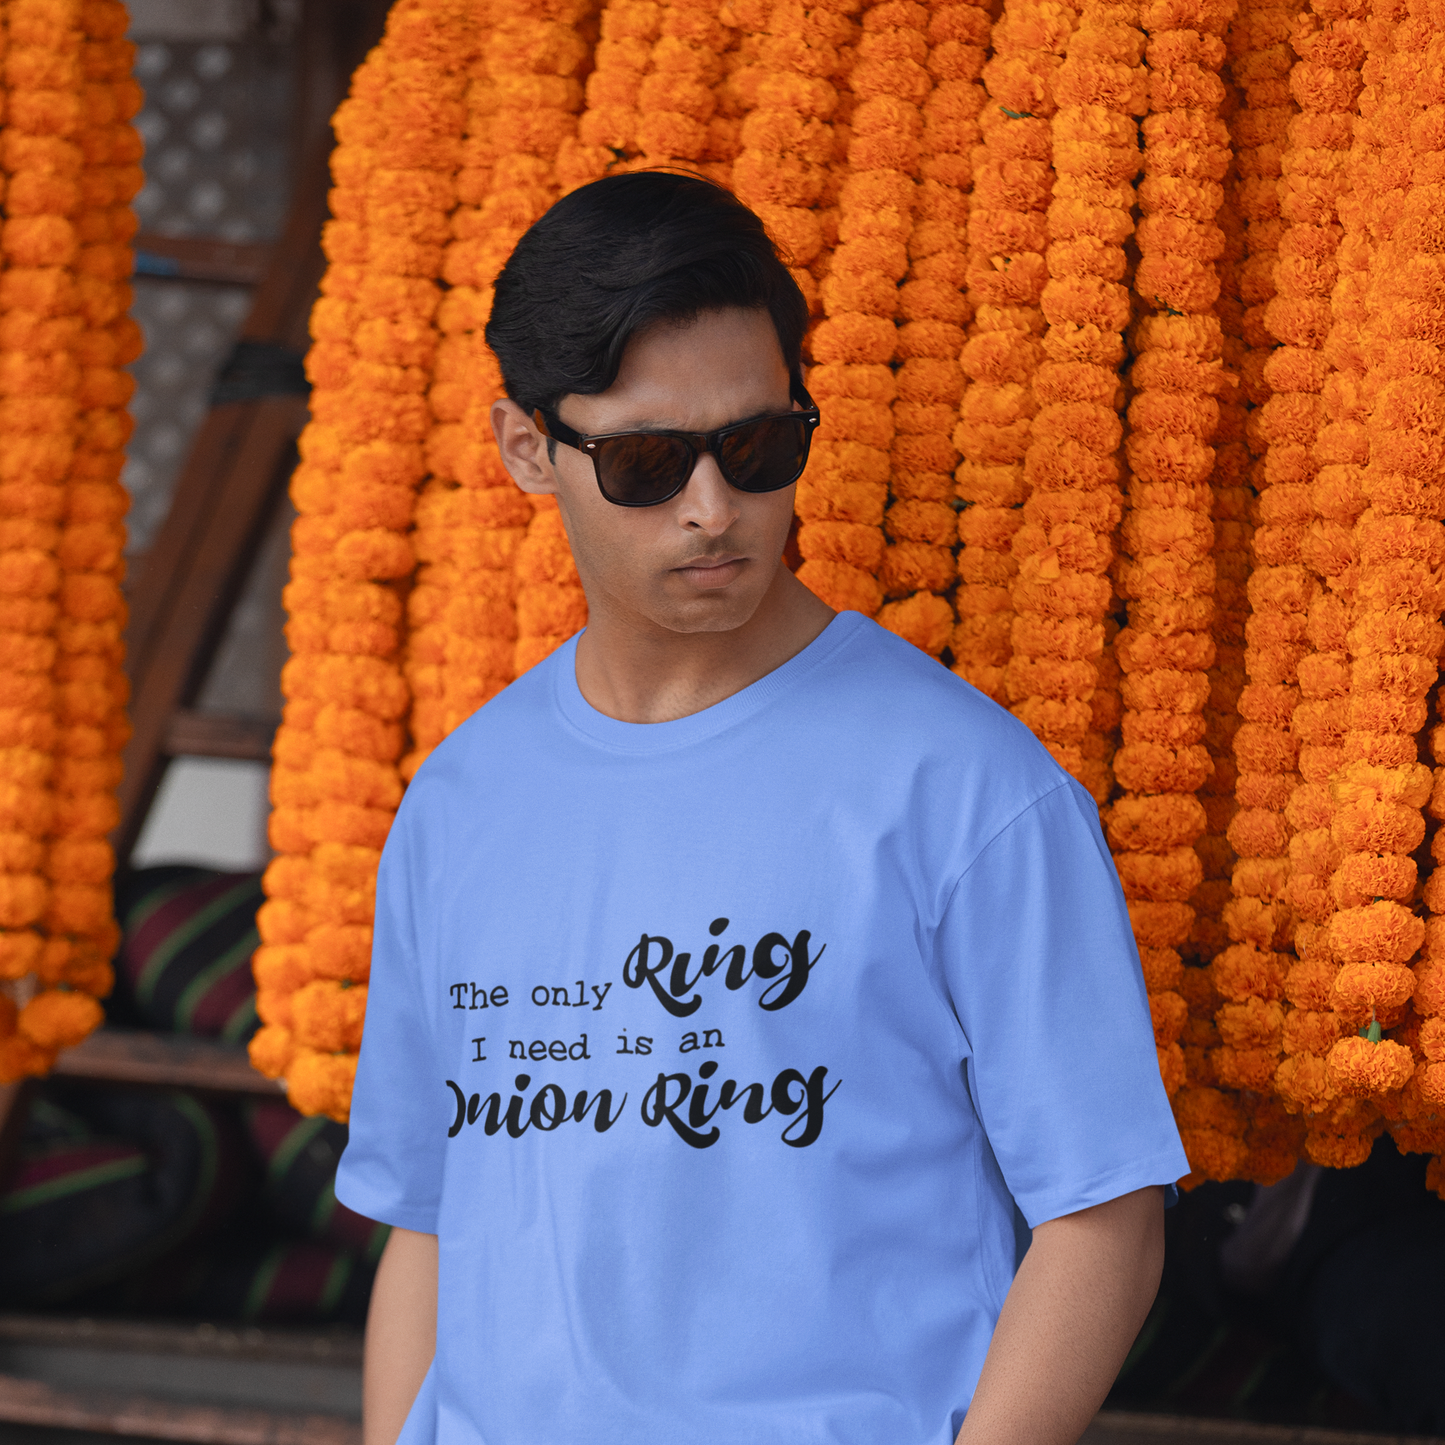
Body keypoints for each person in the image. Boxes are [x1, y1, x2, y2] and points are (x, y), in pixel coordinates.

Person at [337, 170, 1189, 1445]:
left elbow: (1104, 1216)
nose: (712, 510)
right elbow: (433, 1214)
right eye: (643, 461)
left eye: (755, 446)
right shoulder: (462, 800)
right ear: (527, 449)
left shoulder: (968, 790)